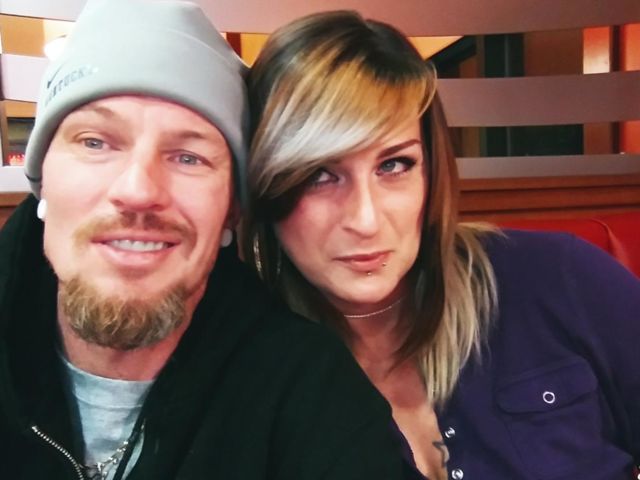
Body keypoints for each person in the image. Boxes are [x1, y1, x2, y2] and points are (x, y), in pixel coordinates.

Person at [0, 2, 407, 479]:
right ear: (42, 178)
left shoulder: (310, 393)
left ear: (233, 208)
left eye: (188, 157)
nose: (138, 190)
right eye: (96, 142)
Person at [243, 10, 640, 480]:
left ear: (432, 169)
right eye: (318, 174)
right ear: (265, 183)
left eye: (394, 165)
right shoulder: (243, 367)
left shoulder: (559, 279)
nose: (366, 220)